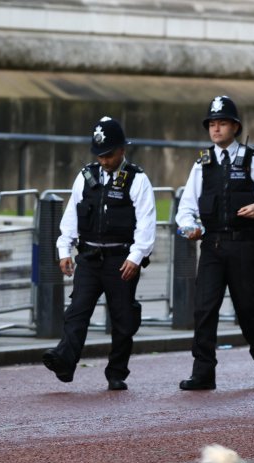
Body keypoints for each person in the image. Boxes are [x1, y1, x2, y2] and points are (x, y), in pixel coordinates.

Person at [42, 116, 157, 391]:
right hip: (90, 257)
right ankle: (64, 362)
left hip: (121, 261)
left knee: (123, 319)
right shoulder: (86, 177)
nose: (104, 161)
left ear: (122, 150)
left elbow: (146, 222)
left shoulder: (138, 180)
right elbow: (72, 215)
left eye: (109, 154)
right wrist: (63, 248)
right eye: (100, 155)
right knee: (77, 311)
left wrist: (136, 257)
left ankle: (116, 373)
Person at [175, 95, 254, 391]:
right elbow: (185, 209)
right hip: (212, 246)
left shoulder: (252, 159)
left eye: (222, 123)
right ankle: (203, 373)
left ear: (235, 126)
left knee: (248, 308)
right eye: (212, 124)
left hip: (244, 245)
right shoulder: (202, 164)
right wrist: (190, 228)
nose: (216, 129)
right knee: (204, 309)